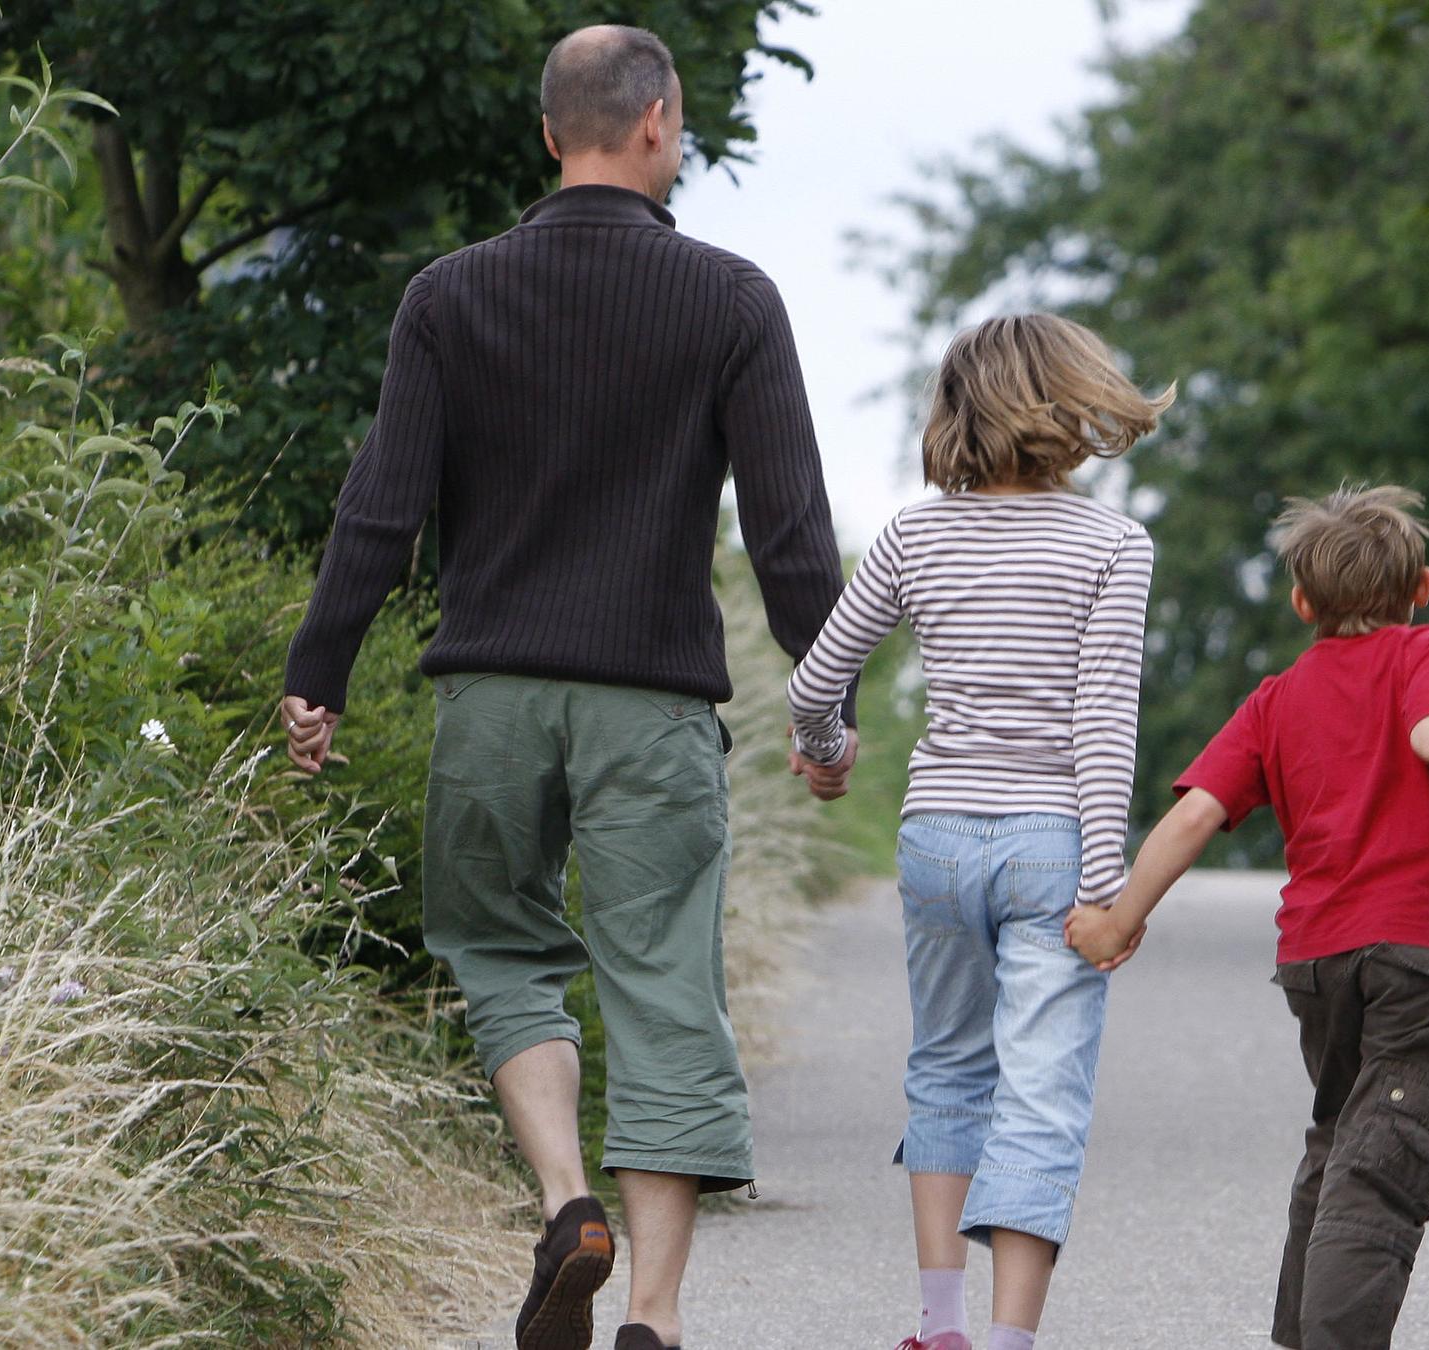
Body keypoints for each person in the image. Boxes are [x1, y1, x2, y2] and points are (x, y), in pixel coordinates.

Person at [277, 25, 849, 1350]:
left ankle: (564, 1197)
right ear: (654, 122)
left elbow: (382, 508)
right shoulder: (734, 300)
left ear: (551, 133)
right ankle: (650, 1314)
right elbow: (789, 536)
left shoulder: (449, 295)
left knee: (498, 950)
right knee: (663, 987)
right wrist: (826, 712)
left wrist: (320, 675)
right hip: (651, 707)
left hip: (491, 695)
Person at [1066, 486, 1429, 1350]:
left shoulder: (1275, 698)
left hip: (1318, 964)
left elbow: (1192, 816)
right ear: (1421, 588)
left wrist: (1116, 921)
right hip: (1418, 953)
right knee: (1385, 1156)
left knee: (1343, 1134)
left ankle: (1299, 1337)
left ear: (1301, 602)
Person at [783, 314, 1171, 1350]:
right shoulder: (1113, 544)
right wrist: (1105, 889)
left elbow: (817, 679)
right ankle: (1010, 1341)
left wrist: (827, 752)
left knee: (948, 1067)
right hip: (1051, 842)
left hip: (937, 838)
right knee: (1039, 1090)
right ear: (1072, 405)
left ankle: (939, 1327)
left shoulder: (916, 533)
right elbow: (1101, 723)